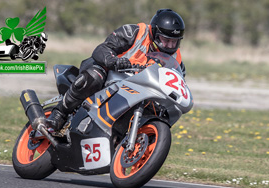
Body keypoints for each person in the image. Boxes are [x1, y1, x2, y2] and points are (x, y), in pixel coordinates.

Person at [46, 8, 186, 131]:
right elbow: (102, 49)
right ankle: (60, 113)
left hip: (135, 91)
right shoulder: (135, 32)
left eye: (174, 41)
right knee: (95, 76)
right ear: (155, 33)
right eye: (166, 40)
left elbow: (175, 83)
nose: (169, 45)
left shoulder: (176, 59)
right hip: (108, 74)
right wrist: (114, 61)